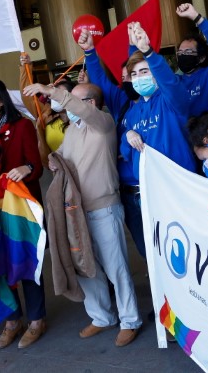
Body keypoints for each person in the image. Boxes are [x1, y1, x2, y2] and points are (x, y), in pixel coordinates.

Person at [23, 81, 142, 347]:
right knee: (86, 267)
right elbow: (59, 158)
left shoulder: (104, 124)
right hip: (75, 212)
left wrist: (54, 92)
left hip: (103, 209)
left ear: (89, 103)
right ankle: (101, 317)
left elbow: (84, 112)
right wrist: (51, 157)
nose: (65, 104)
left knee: (116, 268)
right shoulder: (73, 131)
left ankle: (130, 320)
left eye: (71, 99)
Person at [0, 77, 47, 350]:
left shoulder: (21, 126)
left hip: (20, 208)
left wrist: (26, 169)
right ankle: (12, 320)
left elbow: (36, 166)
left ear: (1, 100)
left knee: (25, 260)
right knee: (0, 264)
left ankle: (37, 319)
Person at [76, 30, 144, 258]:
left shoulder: (160, 102)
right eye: (124, 77)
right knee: (145, 249)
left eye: (134, 75)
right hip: (126, 191)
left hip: (154, 188)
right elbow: (102, 82)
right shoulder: (121, 101)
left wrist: (136, 48)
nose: (128, 81)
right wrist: (89, 52)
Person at [121, 21, 196, 182]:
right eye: (134, 74)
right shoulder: (133, 112)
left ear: (155, 74)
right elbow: (125, 151)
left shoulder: (171, 101)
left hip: (179, 182)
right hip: (149, 188)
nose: (139, 78)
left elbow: (169, 82)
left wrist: (147, 51)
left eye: (144, 71)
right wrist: (128, 134)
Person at [174, 3, 208, 117]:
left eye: (188, 52)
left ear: (201, 58)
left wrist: (195, 17)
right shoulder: (175, 82)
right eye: (180, 53)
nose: (182, 55)